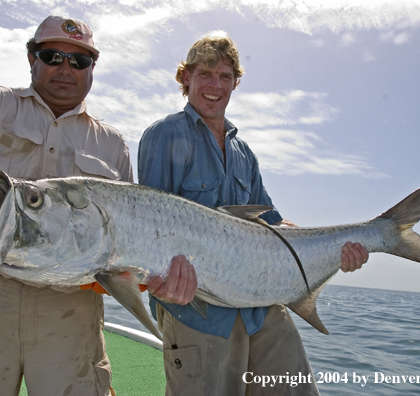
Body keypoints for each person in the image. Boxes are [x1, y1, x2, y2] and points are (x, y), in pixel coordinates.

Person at [0, 15, 191, 396]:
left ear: (92, 69)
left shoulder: (112, 144)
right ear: (32, 58)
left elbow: (122, 244)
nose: (65, 68)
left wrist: (149, 276)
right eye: (52, 56)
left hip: (72, 312)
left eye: (79, 61)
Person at [138, 31, 369, 395]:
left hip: (260, 305)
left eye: (225, 77)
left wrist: (337, 249)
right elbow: (147, 226)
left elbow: (273, 225)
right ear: (186, 77)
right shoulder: (164, 134)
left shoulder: (244, 152)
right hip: (198, 311)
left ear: (236, 83)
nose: (215, 85)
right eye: (205, 74)